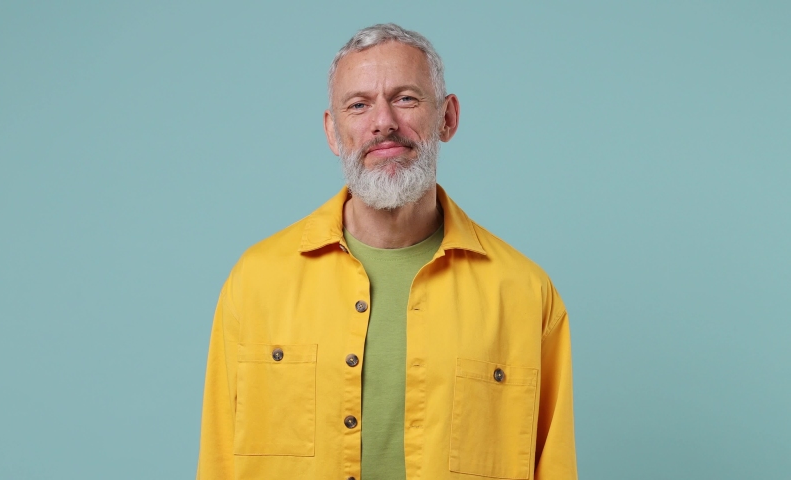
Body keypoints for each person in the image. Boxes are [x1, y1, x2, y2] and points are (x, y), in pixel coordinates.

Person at [197, 23, 577, 480]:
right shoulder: (256, 282)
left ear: (447, 118)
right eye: (358, 105)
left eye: (406, 99)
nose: (383, 122)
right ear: (333, 132)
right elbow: (219, 460)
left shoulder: (524, 294)